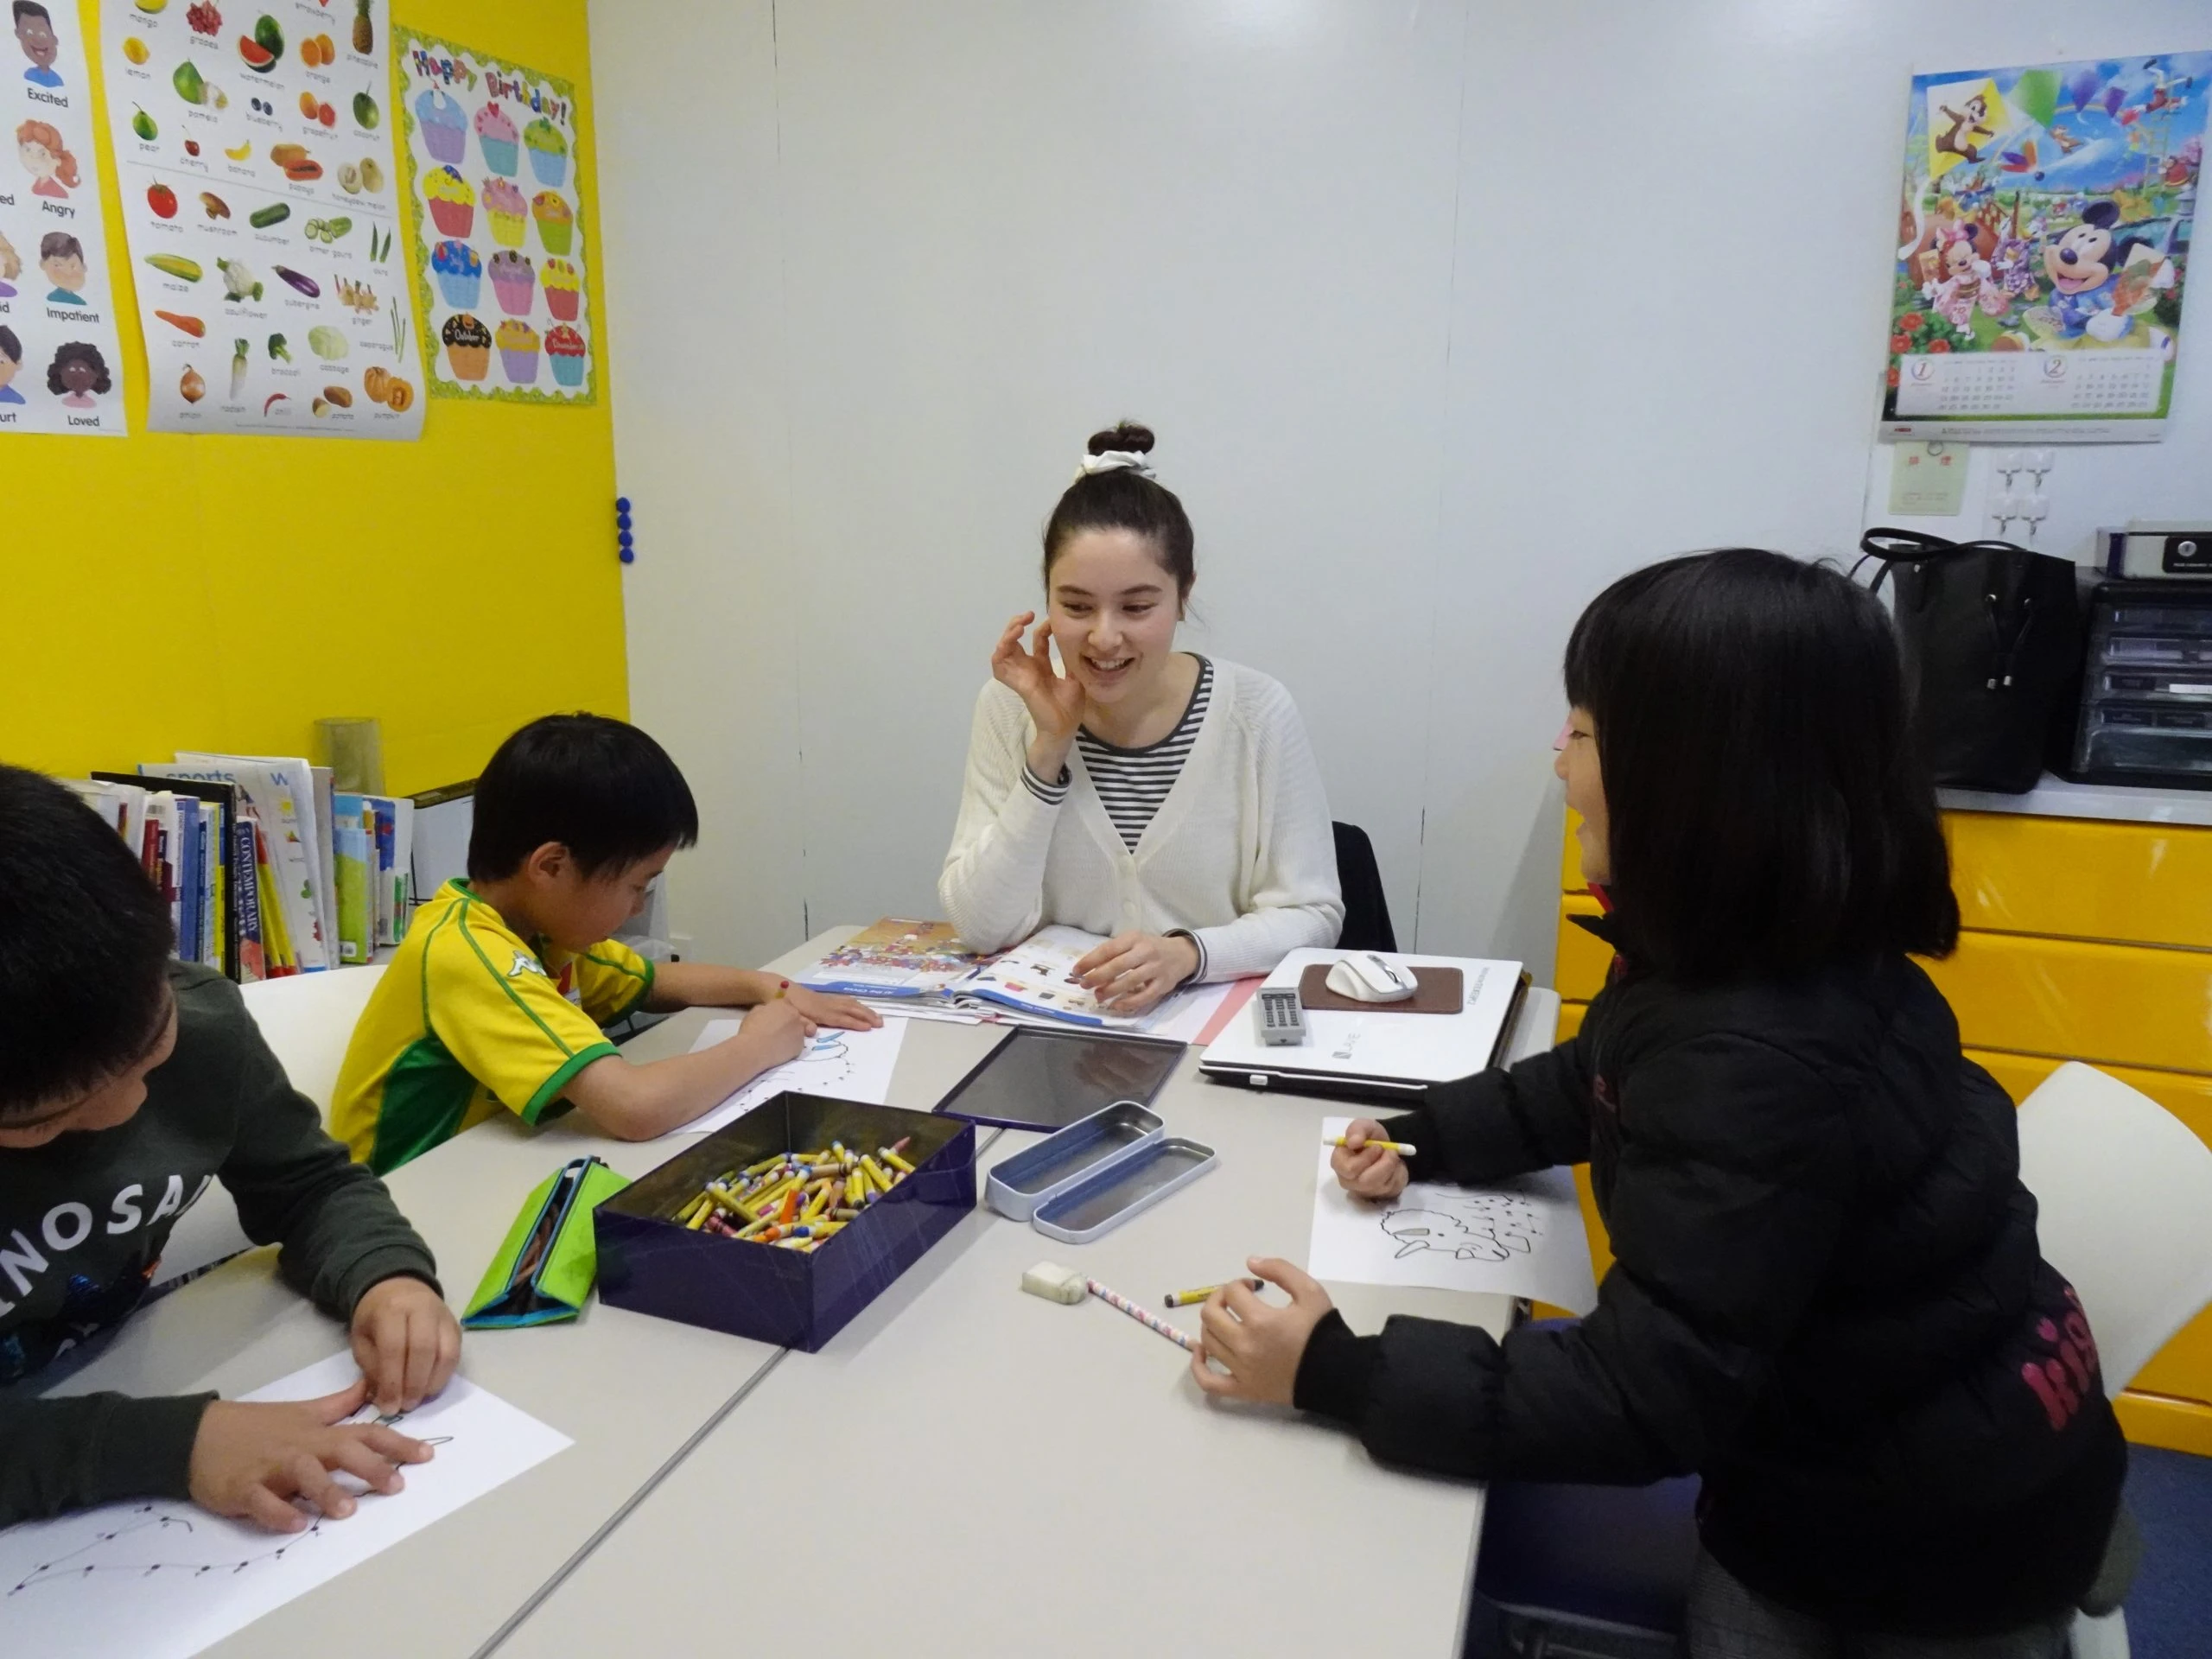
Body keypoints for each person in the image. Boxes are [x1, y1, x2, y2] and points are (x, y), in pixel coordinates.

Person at [1191, 550, 2126, 1654]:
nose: (1556, 761)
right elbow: (1602, 1077)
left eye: (1580, 732)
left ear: (1691, 784)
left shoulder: (1755, 1056)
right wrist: (1430, 1133)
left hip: (1896, 1557)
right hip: (1976, 1447)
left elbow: (1643, 1395)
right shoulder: (1785, 950)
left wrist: (1333, 1369)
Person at [0, 765, 460, 1533]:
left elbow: (311, 1188)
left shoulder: (203, 1021)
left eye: (152, 1047)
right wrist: (170, 1444)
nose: (129, 1108)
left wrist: (385, 1275)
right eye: (49, 1121)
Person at [331, 713, 880, 1173]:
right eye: (636, 885)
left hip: (489, 1170)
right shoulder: (470, 953)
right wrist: (760, 1045)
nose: (639, 906)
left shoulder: (540, 929)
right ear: (551, 866)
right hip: (405, 1205)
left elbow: (652, 982)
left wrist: (767, 987)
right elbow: (634, 1108)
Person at [939, 423, 1342, 1014]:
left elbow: (1314, 913)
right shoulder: (1009, 708)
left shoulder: (1256, 714)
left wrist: (1188, 955)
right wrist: (1049, 747)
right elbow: (980, 926)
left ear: (1183, 595)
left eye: (1137, 606)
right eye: (1076, 606)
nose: (1104, 637)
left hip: (1207, 1041)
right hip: (1053, 1036)